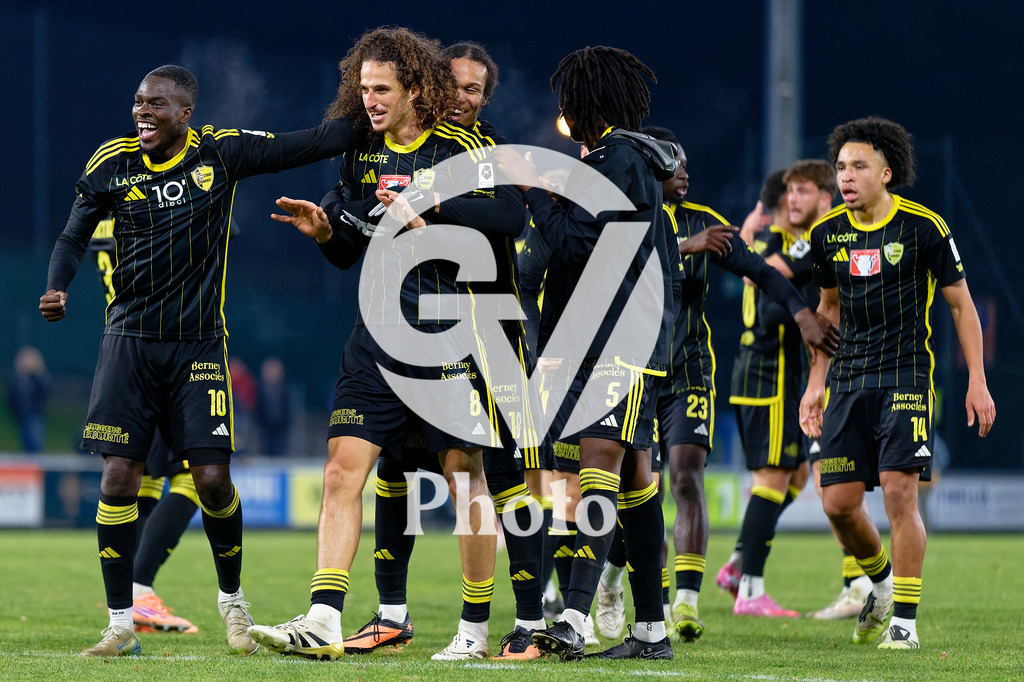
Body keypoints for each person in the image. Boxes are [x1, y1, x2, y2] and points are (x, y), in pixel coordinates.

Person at [39, 64, 362, 657]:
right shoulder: (110, 162)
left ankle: (232, 602)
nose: (142, 112)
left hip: (199, 346)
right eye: (138, 101)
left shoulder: (220, 152)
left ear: (185, 114)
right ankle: (120, 624)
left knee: (212, 481)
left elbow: (311, 143)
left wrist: (373, 115)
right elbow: (72, 234)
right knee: (119, 477)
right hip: (128, 344)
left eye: (155, 104)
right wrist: (57, 285)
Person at [246, 27, 526, 661]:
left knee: (463, 476)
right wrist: (326, 232)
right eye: (363, 87)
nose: (368, 100)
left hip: (449, 335)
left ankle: (473, 630)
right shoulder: (359, 153)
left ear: (415, 90)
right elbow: (350, 249)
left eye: (381, 89)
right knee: (342, 468)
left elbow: (511, 216)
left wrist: (435, 208)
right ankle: (323, 616)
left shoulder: (462, 146)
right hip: (374, 337)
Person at [338, 40, 548, 661]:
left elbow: (510, 217)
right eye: (451, 84)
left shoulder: (485, 150)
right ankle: (391, 615)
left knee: (500, 475)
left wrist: (427, 200)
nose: (459, 98)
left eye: (472, 89)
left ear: (485, 98)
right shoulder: (407, 150)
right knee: (395, 465)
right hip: (427, 331)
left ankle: (529, 621)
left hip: (492, 334)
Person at [604, 127, 837, 645]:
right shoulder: (621, 218)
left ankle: (685, 601)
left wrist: (802, 314)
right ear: (649, 168)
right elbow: (615, 275)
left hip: (689, 370)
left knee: (687, 478)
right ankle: (613, 577)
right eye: (674, 163)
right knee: (641, 490)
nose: (685, 172)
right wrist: (684, 247)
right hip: (633, 373)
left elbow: (762, 272)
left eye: (687, 163)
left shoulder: (704, 221)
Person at [497, 46, 681, 661]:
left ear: (586, 102)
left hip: (616, 340)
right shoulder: (620, 160)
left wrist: (533, 191)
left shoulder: (617, 158)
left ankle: (573, 618)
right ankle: (651, 633)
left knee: (596, 468)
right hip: (603, 338)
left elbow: (576, 246)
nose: (563, 112)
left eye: (567, 100)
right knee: (635, 485)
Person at [800, 116, 996, 650]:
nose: (846, 176)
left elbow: (962, 306)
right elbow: (827, 311)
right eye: (841, 167)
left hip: (906, 373)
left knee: (898, 492)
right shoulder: (826, 234)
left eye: (858, 166)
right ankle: (882, 584)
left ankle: (904, 623)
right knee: (837, 504)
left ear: (886, 173)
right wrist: (816, 382)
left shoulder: (924, 227)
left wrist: (977, 381)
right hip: (848, 376)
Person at [721, 160, 839, 617]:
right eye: (790, 194)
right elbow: (763, 281)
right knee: (772, 479)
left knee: (797, 476)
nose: (794, 201)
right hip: (767, 374)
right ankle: (750, 590)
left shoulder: (771, 242)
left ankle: (739, 559)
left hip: (781, 377)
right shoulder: (780, 245)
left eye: (801, 192)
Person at [89, 216, 201, 634]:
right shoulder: (152, 204)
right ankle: (139, 591)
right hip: (165, 346)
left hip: (124, 346)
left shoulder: (101, 216)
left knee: (146, 481)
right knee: (190, 482)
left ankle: (132, 597)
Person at [7, 346, 50, 452]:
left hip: (34, 414)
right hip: (20, 415)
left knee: (34, 440)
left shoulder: (38, 378)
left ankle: (36, 458)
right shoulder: (17, 379)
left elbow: (44, 394)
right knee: (26, 440)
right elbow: (12, 397)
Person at [257, 357, 291, 456]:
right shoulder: (259, 390)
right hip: (263, 427)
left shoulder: (286, 390)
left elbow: (288, 410)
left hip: (281, 427)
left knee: (280, 449)